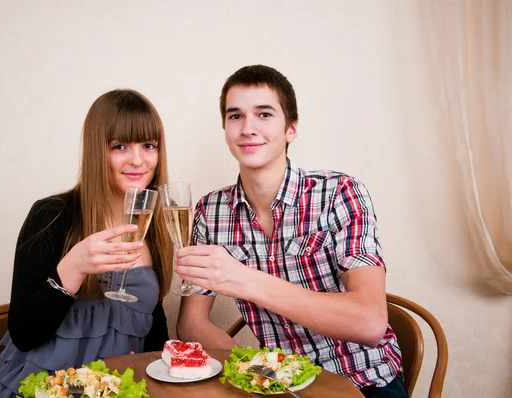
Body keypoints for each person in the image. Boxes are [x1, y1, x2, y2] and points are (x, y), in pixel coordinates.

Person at [175, 65, 408, 397]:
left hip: (362, 382)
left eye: (264, 114)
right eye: (235, 116)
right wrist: (256, 373)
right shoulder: (210, 212)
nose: (248, 128)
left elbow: (370, 323)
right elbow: (190, 324)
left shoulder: (340, 192)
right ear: (225, 129)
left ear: (291, 129)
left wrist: (243, 279)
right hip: (279, 387)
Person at [0, 89, 174, 397]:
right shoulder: (52, 216)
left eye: (148, 145)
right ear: (97, 151)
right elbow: (24, 334)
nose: (137, 159)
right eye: (120, 146)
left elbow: (154, 324)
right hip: (47, 387)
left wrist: (157, 369)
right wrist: (72, 269)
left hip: (116, 388)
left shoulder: (152, 225)